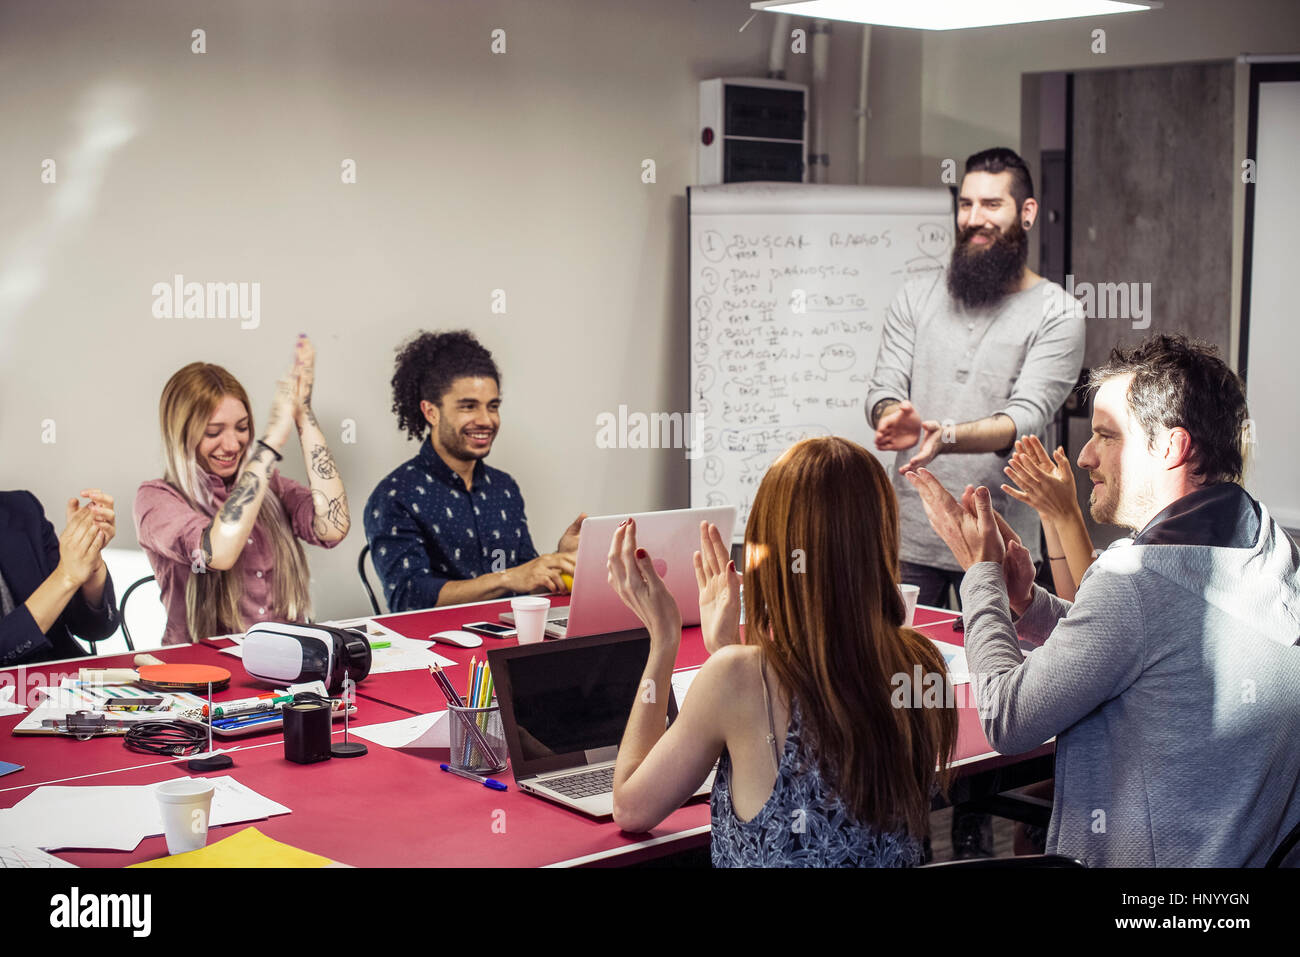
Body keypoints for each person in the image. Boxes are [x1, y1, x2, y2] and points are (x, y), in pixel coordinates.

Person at [905, 334, 1300, 867]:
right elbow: (1143, 651)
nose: (1086, 456)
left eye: (1106, 436)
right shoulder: (1268, 544)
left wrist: (980, 576)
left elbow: (1006, 718)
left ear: (1172, 448)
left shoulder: (1135, 580)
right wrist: (1030, 604)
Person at [866, 146, 1085, 857]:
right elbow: (882, 386)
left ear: (1025, 212)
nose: (975, 219)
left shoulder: (1056, 312)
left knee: (993, 732)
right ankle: (907, 850)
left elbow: (1026, 414)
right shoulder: (914, 297)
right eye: (966, 204)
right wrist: (894, 412)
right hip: (909, 547)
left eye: (991, 205)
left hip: (1004, 555)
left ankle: (975, 850)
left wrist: (945, 431)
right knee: (903, 727)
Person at [606, 437, 958, 867]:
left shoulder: (735, 678)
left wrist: (664, 639)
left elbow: (631, 809)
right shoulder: (923, 665)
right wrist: (728, 653)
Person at [134, 336, 349, 644]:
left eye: (242, 427)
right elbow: (216, 552)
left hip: (284, 662)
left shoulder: (268, 484)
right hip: (201, 674)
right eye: (213, 432)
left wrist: (304, 417)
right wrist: (270, 442)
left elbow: (333, 527)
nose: (233, 445)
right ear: (180, 433)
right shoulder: (155, 499)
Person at [364, 330, 583, 611]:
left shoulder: (504, 488)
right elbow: (409, 597)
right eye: (468, 406)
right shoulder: (395, 495)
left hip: (511, 642)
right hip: (438, 649)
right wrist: (509, 578)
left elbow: (523, 582)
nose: (485, 420)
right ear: (431, 412)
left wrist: (559, 565)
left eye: (493, 407)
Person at [1, 489, 119, 665]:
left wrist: (87, 552)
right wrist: (66, 577)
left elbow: (94, 628)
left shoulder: (22, 507)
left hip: (66, 680)